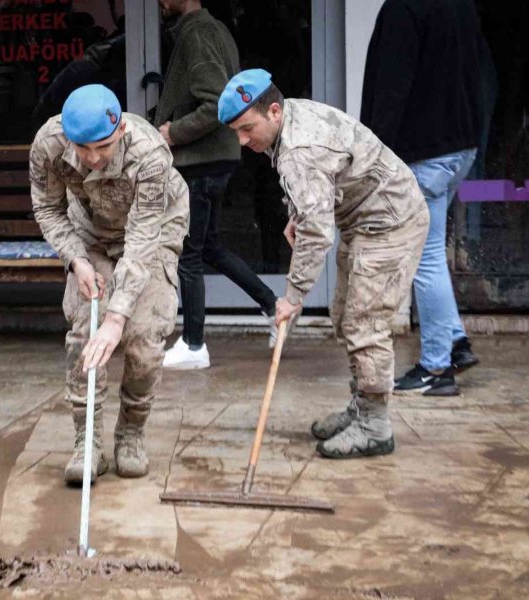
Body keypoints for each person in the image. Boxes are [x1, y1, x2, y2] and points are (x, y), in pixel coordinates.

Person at [217, 69, 429, 458]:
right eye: (236, 132)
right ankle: (361, 406)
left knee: (365, 323)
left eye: (247, 129)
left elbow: (317, 234)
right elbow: (320, 194)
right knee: (345, 314)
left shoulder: (299, 149)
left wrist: (292, 296)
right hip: (364, 220)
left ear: (274, 110)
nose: (243, 141)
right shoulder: (290, 124)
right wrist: (299, 215)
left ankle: (375, 426)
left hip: (389, 223)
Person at [30, 84, 189, 483]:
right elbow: (47, 209)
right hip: (89, 234)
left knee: (144, 336)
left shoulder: (149, 154)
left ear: (119, 130)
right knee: (86, 334)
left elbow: (142, 237)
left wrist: (118, 316)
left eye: (102, 146)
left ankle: (131, 433)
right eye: (82, 148)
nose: (93, 158)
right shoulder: (47, 146)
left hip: (154, 231)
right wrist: (76, 261)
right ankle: (87, 442)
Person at [360, 0, 491, 396]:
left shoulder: (404, 9)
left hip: (425, 153)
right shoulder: (461, 6)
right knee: (431, 249)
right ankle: (455, 341)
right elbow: (482, 74)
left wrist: (372, 156)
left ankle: (436, 367)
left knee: (423, 256)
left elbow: (390, 88)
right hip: (460, 147)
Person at [154, 0, 279, 370]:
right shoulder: (213, 29)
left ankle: (194, 345)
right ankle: (273, 305)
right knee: (208, 247)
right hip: (214, 160)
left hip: (201, 162)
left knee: (189, 253)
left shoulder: (198, 33)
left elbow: (214, 103)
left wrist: (173, 132)